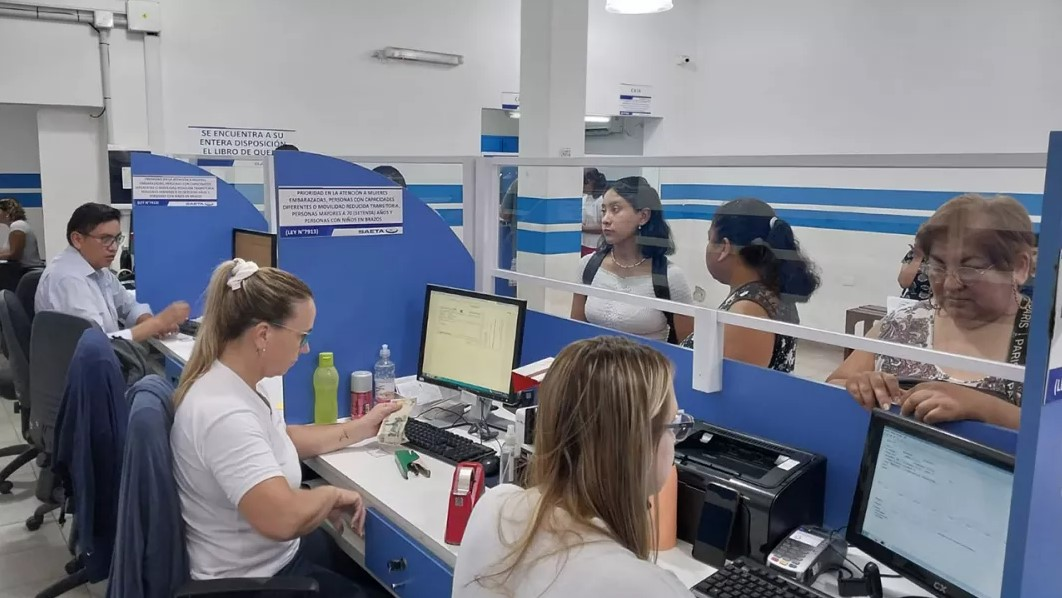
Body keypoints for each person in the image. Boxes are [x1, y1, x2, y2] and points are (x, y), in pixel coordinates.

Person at [170, 259, 403, 596]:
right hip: (254, 583)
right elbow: (283, 519)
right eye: (302, 336)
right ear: (263, 334)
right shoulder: (224, 414)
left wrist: (361, 428)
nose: (305, 348)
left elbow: (279, 439)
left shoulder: (238, 381)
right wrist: (330, 495)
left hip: (275, 560)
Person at [452, 336, 695, 598]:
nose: (675, 439)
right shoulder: (651, 589)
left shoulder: (493, 507)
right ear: (637, 444)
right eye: (673, 424)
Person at [828, 194, 1034, 430]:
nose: (950, 284)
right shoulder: (902, 323)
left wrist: (984, 408)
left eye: (970, 268)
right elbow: (833, 385)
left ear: (1019, 267)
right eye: (938, 267)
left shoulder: (1046, 341)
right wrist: (861, 386)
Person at [681, 198, 820, 372]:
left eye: (710, 239)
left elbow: (732, 383)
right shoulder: (765, 295)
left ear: (724, 247)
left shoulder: (747, 312)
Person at [36, 202, 189, 341]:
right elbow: (97, 343)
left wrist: (147, 321)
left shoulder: (98, 270)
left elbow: (130, 306)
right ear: (77, 239)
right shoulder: (67, 279)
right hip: (85, 362)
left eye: (117, 238)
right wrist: (157, 323)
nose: (114, 247)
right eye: (105, 239)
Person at [571, 176, 693, 343]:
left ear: (643, 216)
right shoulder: (588, 266)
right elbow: (575, 334)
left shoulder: (670, 277)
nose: (605, 219)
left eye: (615, 209)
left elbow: (687, 348)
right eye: (604, 210)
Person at [0, 197, 43, 268]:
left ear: (7, 212)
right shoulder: (18, 225)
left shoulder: (17, 226)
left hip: (28, 270)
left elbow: (14, 255)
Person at [580, 168, 608, 256]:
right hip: (582, 243)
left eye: (585, 183)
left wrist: (583, 228)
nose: (582, 187)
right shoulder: (585, 198)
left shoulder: (601, 200)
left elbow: (603, 227)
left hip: (595, 245)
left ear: (592, 182)